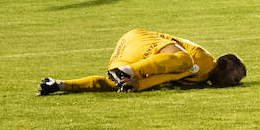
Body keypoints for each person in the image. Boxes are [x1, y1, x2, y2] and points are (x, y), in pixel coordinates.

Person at [38, 29, 246, 95]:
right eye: (234, 78)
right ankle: (127, 72)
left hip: (128, 53)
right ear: (224, 64)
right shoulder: (204, 63)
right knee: (183, 59)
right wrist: (141, 83)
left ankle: (57, 84)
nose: (233, 83)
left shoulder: (203, 76)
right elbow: (171, 73)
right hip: (141, 43)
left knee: (114, 85)